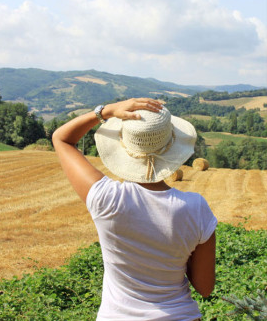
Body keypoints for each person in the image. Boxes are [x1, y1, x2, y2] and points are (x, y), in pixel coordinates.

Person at [52, 98, 217, 321]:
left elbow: (61, 139)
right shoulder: (196, 208)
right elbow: (205, 288)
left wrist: (105, 111)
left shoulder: (106, 198)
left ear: (125, 147)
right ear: (173, 146)